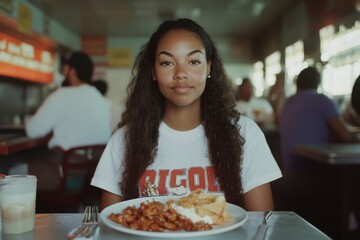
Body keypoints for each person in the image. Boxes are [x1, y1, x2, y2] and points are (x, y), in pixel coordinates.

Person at [91, 18, 282, 211]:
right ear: (153, 72)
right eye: (167, 62)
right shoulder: (125, 139)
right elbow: (109, 223)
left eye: (193, 61)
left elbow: (262, 222)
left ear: (208, 67)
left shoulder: (244, 133)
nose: (181, 73)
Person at [10, 51, 113, 191]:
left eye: (66, 67)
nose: (64, 71)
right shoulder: (101, 100)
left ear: (72, 71)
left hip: (65, 175)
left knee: (11, 173)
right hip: (91, 177)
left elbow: (33, 130)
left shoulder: (61, 95)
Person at [279, 66, 353, 175]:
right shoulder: (322, 100)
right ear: (318, 84)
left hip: (288, 170)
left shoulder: (288, 102)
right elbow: (345, 136)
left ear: (297, 84)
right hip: (313, 172)